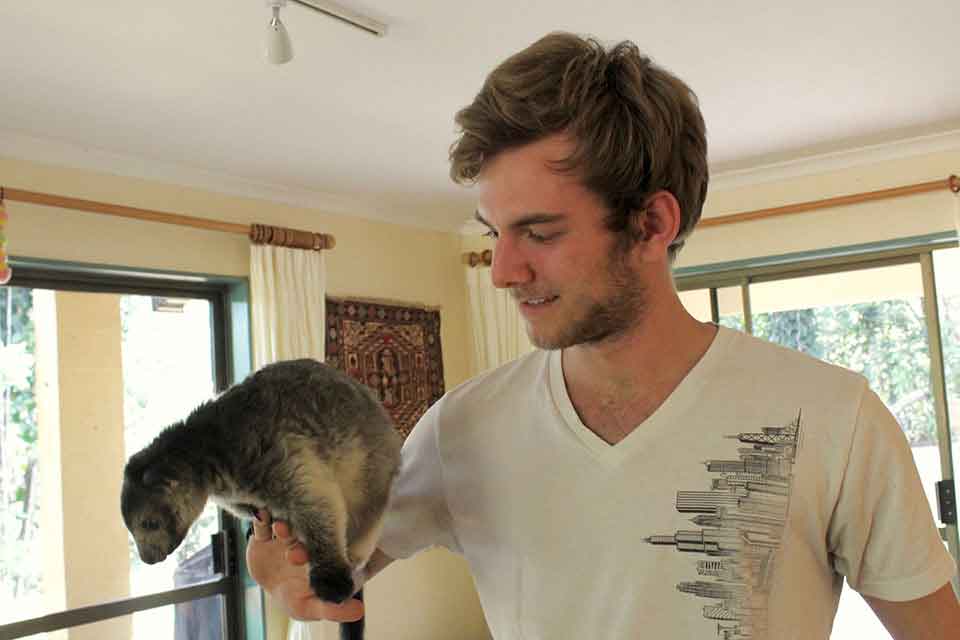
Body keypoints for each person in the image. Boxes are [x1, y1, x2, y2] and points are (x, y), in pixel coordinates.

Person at [247, 32, 960, 638]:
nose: (501, 270)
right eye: (495, 233)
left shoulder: (834, 418)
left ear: (653, 224)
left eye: (540, 232)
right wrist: (281, 568)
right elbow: (328, 563)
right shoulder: (460, 429)